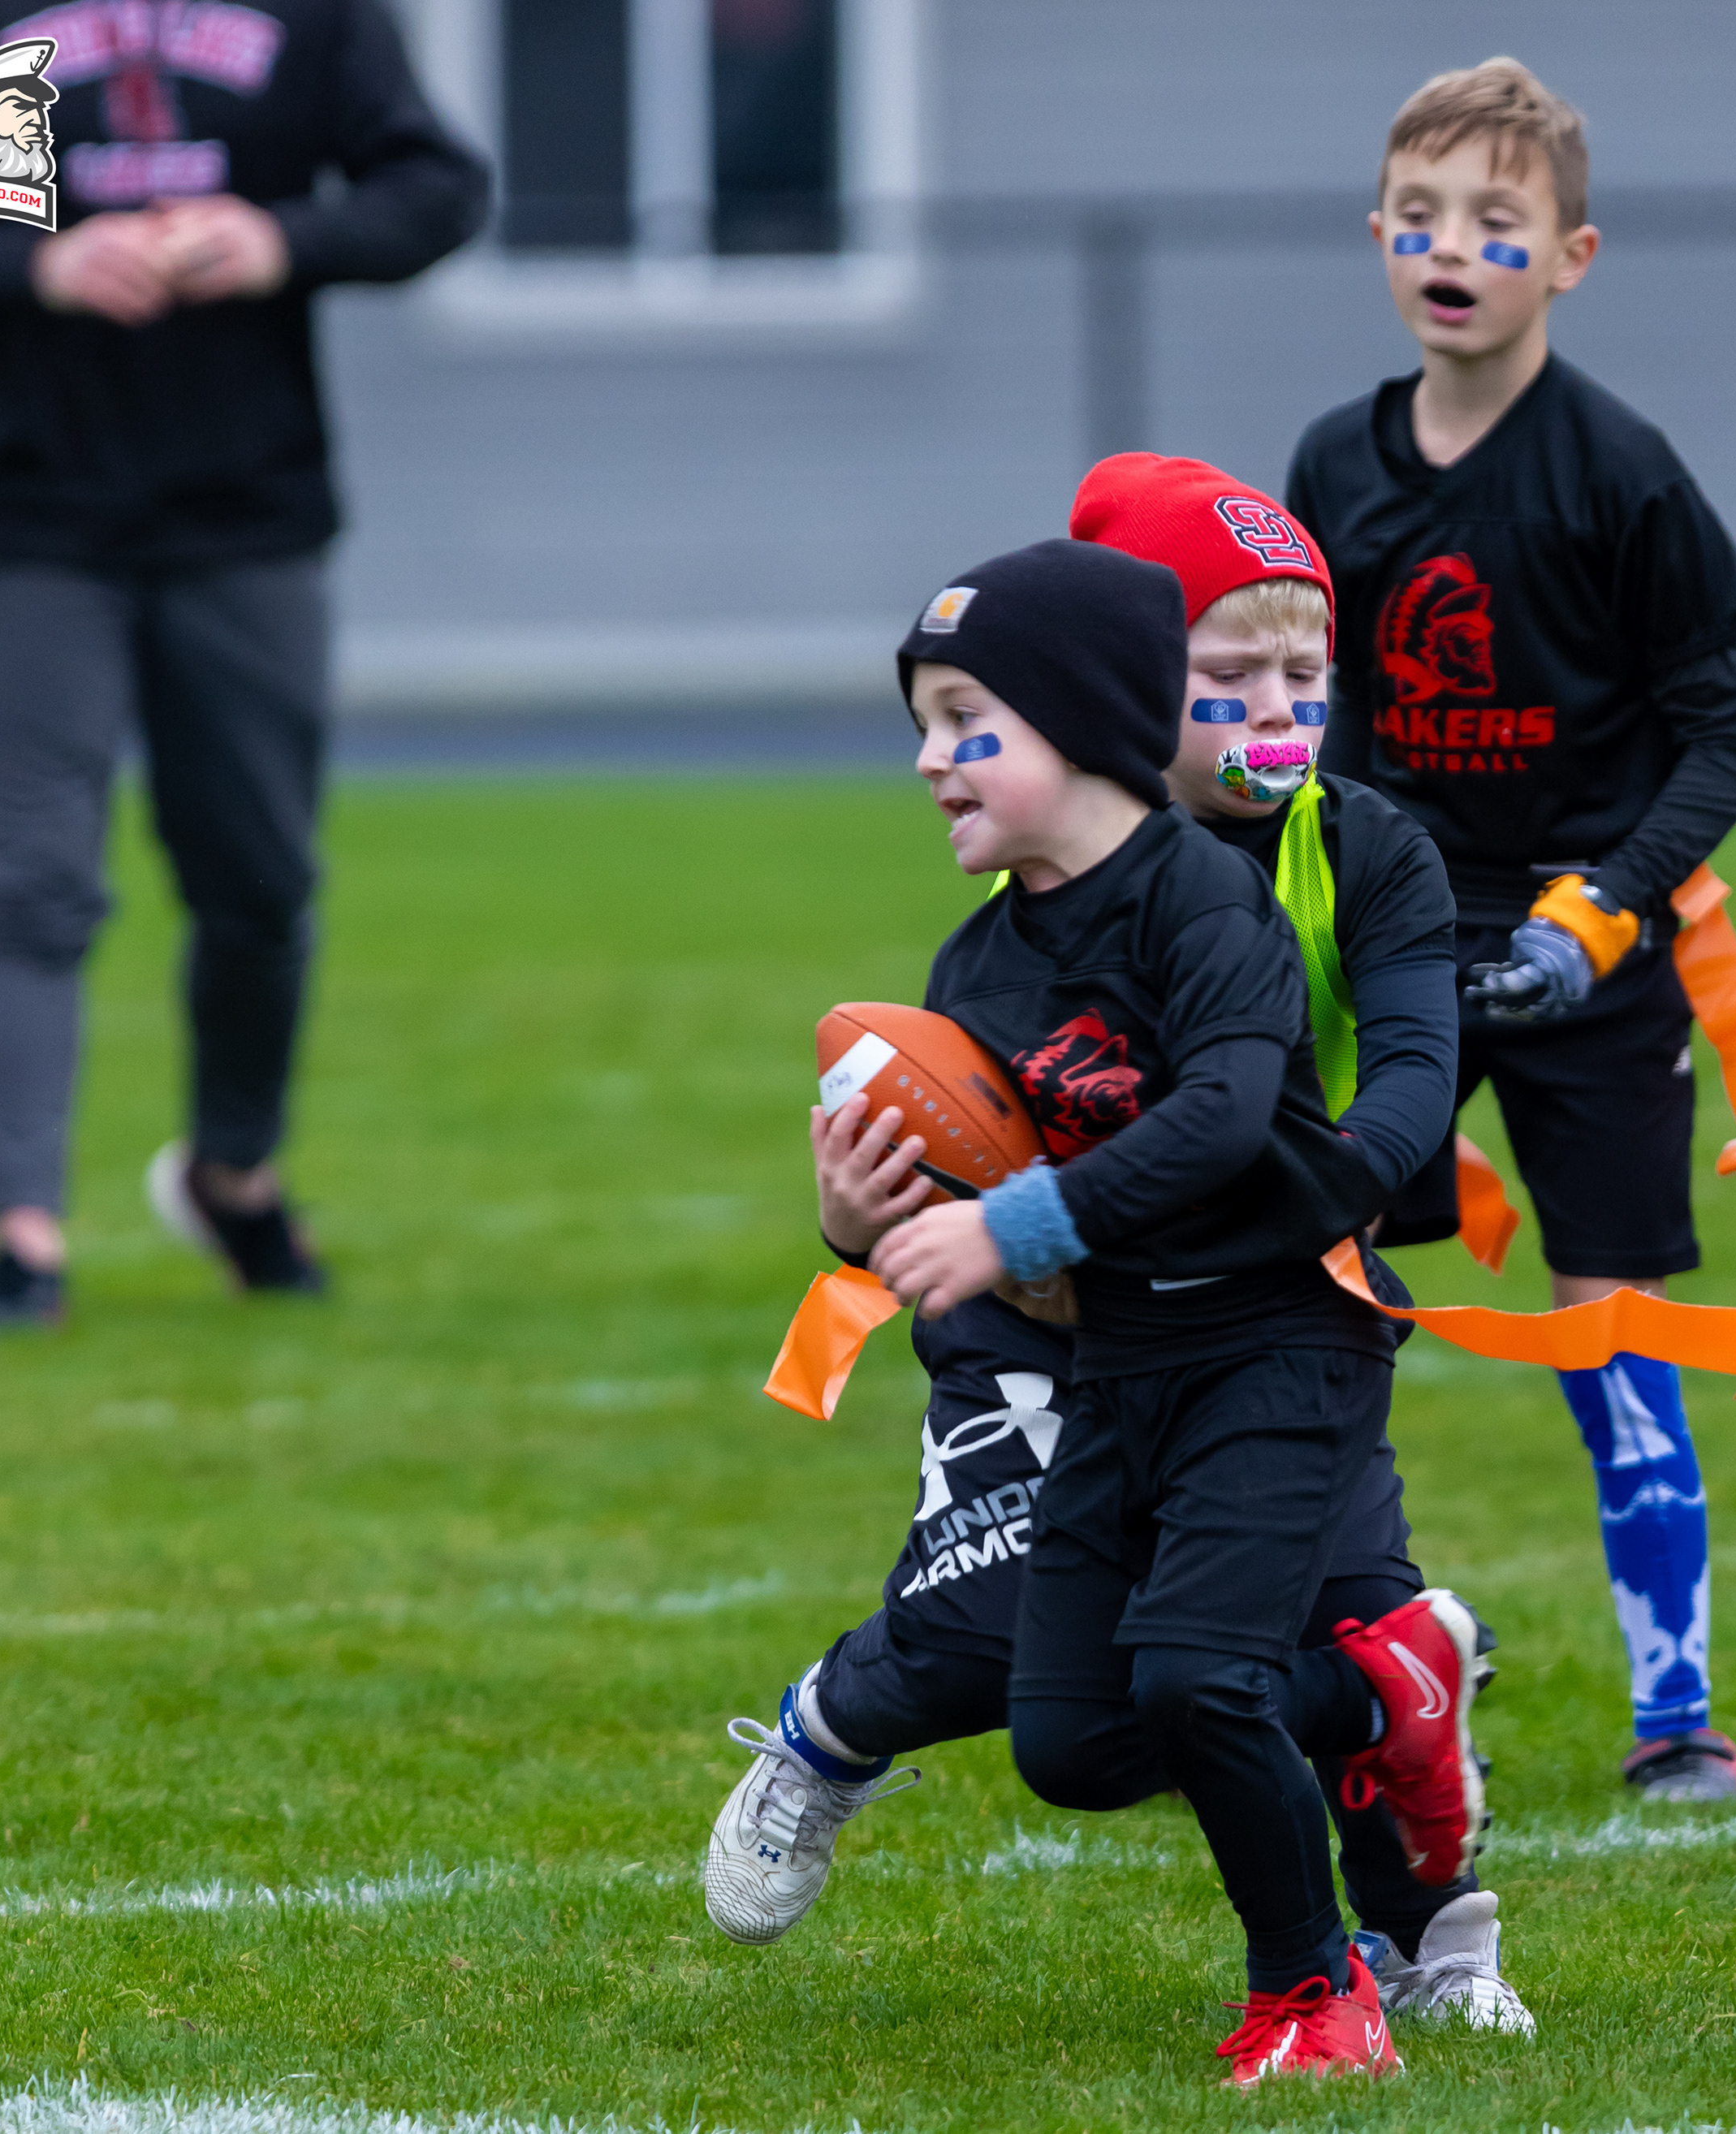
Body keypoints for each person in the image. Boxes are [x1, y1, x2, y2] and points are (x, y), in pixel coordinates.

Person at [698, 462, 1531, 2038]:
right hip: (1050, 1302)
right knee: (999, 1648)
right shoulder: (1034, 889)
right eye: (1232, 675)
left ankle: (1420, 1936)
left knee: (1346, 1609)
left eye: (1306, 675)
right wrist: (861, 1225)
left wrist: (1315, 1197)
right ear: (1128, 694)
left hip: (1270, 1291)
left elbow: (1414, 1073)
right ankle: (827, 1735)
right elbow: (964, 1151)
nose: (1277, 709)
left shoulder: (1358, 851)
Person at [862, 538, 1477, 2084]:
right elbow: (968, 1184)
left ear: (1077, 721)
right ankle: (1383, 1686)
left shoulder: (1204, 899)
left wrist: (1018, 1222)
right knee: (1071, 1740)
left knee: (1200, 1678)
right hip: (1122, 1356)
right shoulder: (977, 958)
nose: (931, 760)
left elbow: (1221, 1114)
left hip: (1277, 1338)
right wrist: (865, 1214)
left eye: (965, 723)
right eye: (925, 726)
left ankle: (1318, 1995)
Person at [0, 0, 489, 1327]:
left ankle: (233, 1174)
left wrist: (278, 240)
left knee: (258, 880)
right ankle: (23, 1236)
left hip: (242, 514)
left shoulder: (314, 14)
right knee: (32, 878)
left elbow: (435, 190)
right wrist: (42, 265)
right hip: (31, 520)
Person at [1286, 58, 1736, 1801]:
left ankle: (1675, 1717)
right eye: (1419, 217)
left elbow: (1727, 739)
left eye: (1495, 223)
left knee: (1609, 1332)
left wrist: (1606, 905)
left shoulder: (1624, 475)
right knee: (1313, 1297)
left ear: (1571, 256)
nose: (1451, 249)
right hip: (1398, 943)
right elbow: (1317, 712)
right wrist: (1310, 894)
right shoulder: (1332, 462)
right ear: (1376, 235)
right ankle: (1351, 1638)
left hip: (1589, 955)